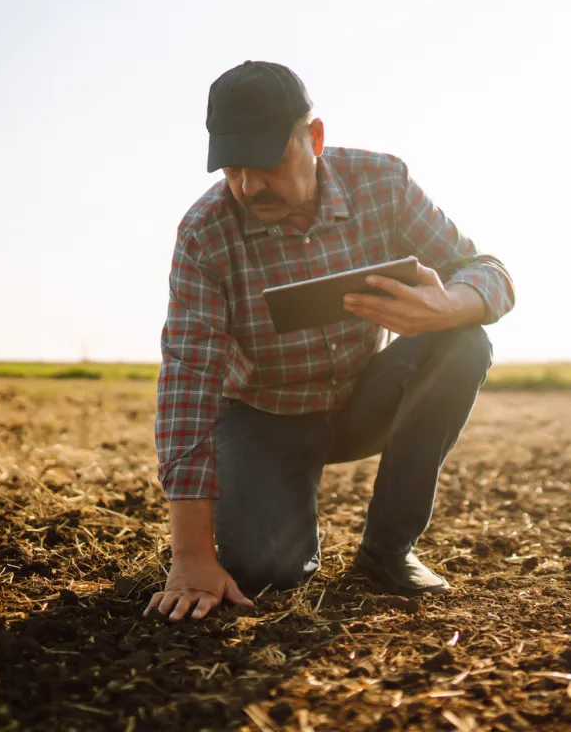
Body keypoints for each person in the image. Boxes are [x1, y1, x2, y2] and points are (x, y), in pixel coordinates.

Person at [144, 60, 515, 623]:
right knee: (266, 571)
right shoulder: (205, 234)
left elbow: (486, 269)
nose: (249, 186)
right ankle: (284, 511)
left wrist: (449, 305)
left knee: (464, 343)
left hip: (362, 401)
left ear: (314, 138)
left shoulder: (383, 184)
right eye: (232, 169)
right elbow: (187, 380)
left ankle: (387, 551)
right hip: (262, 417)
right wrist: (191, 556)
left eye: (267, 162)